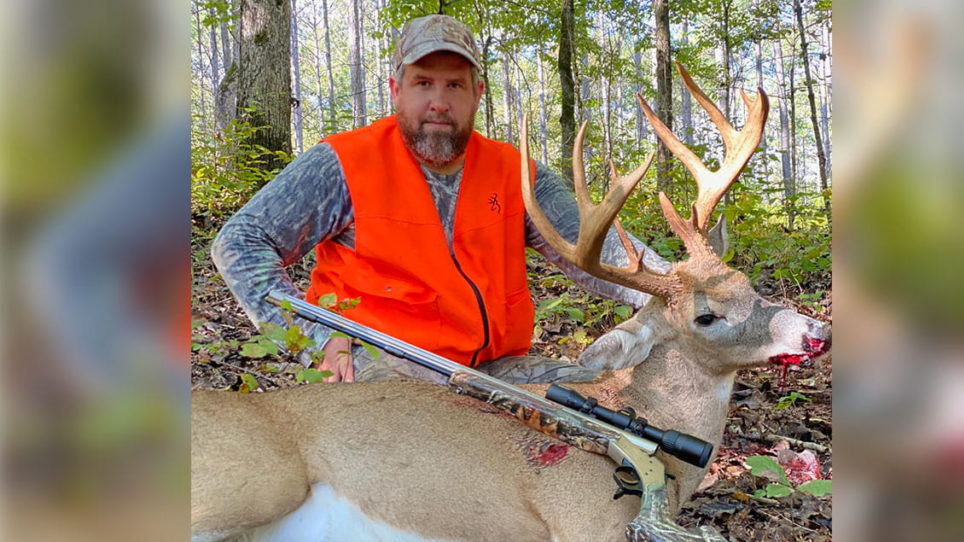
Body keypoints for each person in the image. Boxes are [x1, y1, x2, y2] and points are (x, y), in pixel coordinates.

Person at [212, 14, 669, 383]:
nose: (439, 102)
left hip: (495, 369)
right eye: (423, 83)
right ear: (396, 91)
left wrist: (681, 285)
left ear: (477, 95)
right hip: (387, 368)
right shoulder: (343, 164)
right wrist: (317, 337)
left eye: (454, 85)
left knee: (595, 400)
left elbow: (599, 250)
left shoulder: (517, 173)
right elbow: (238, 243)